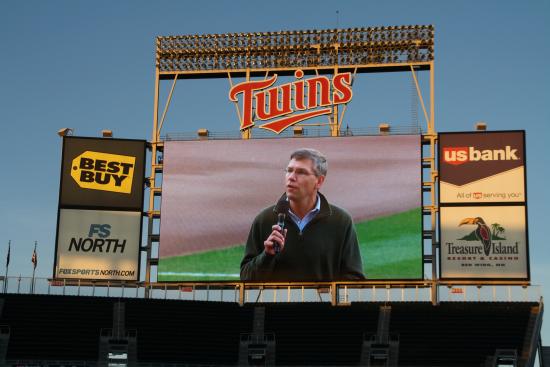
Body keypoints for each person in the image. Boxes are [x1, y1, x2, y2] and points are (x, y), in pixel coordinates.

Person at [240, 148, 365, 281]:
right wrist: (266, 256)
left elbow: (354, 278)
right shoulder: (265, 220)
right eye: (289, 171)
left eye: (301, 172)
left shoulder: (340, 221)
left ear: (319, 181)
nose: (291, 177)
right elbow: (245, 279)